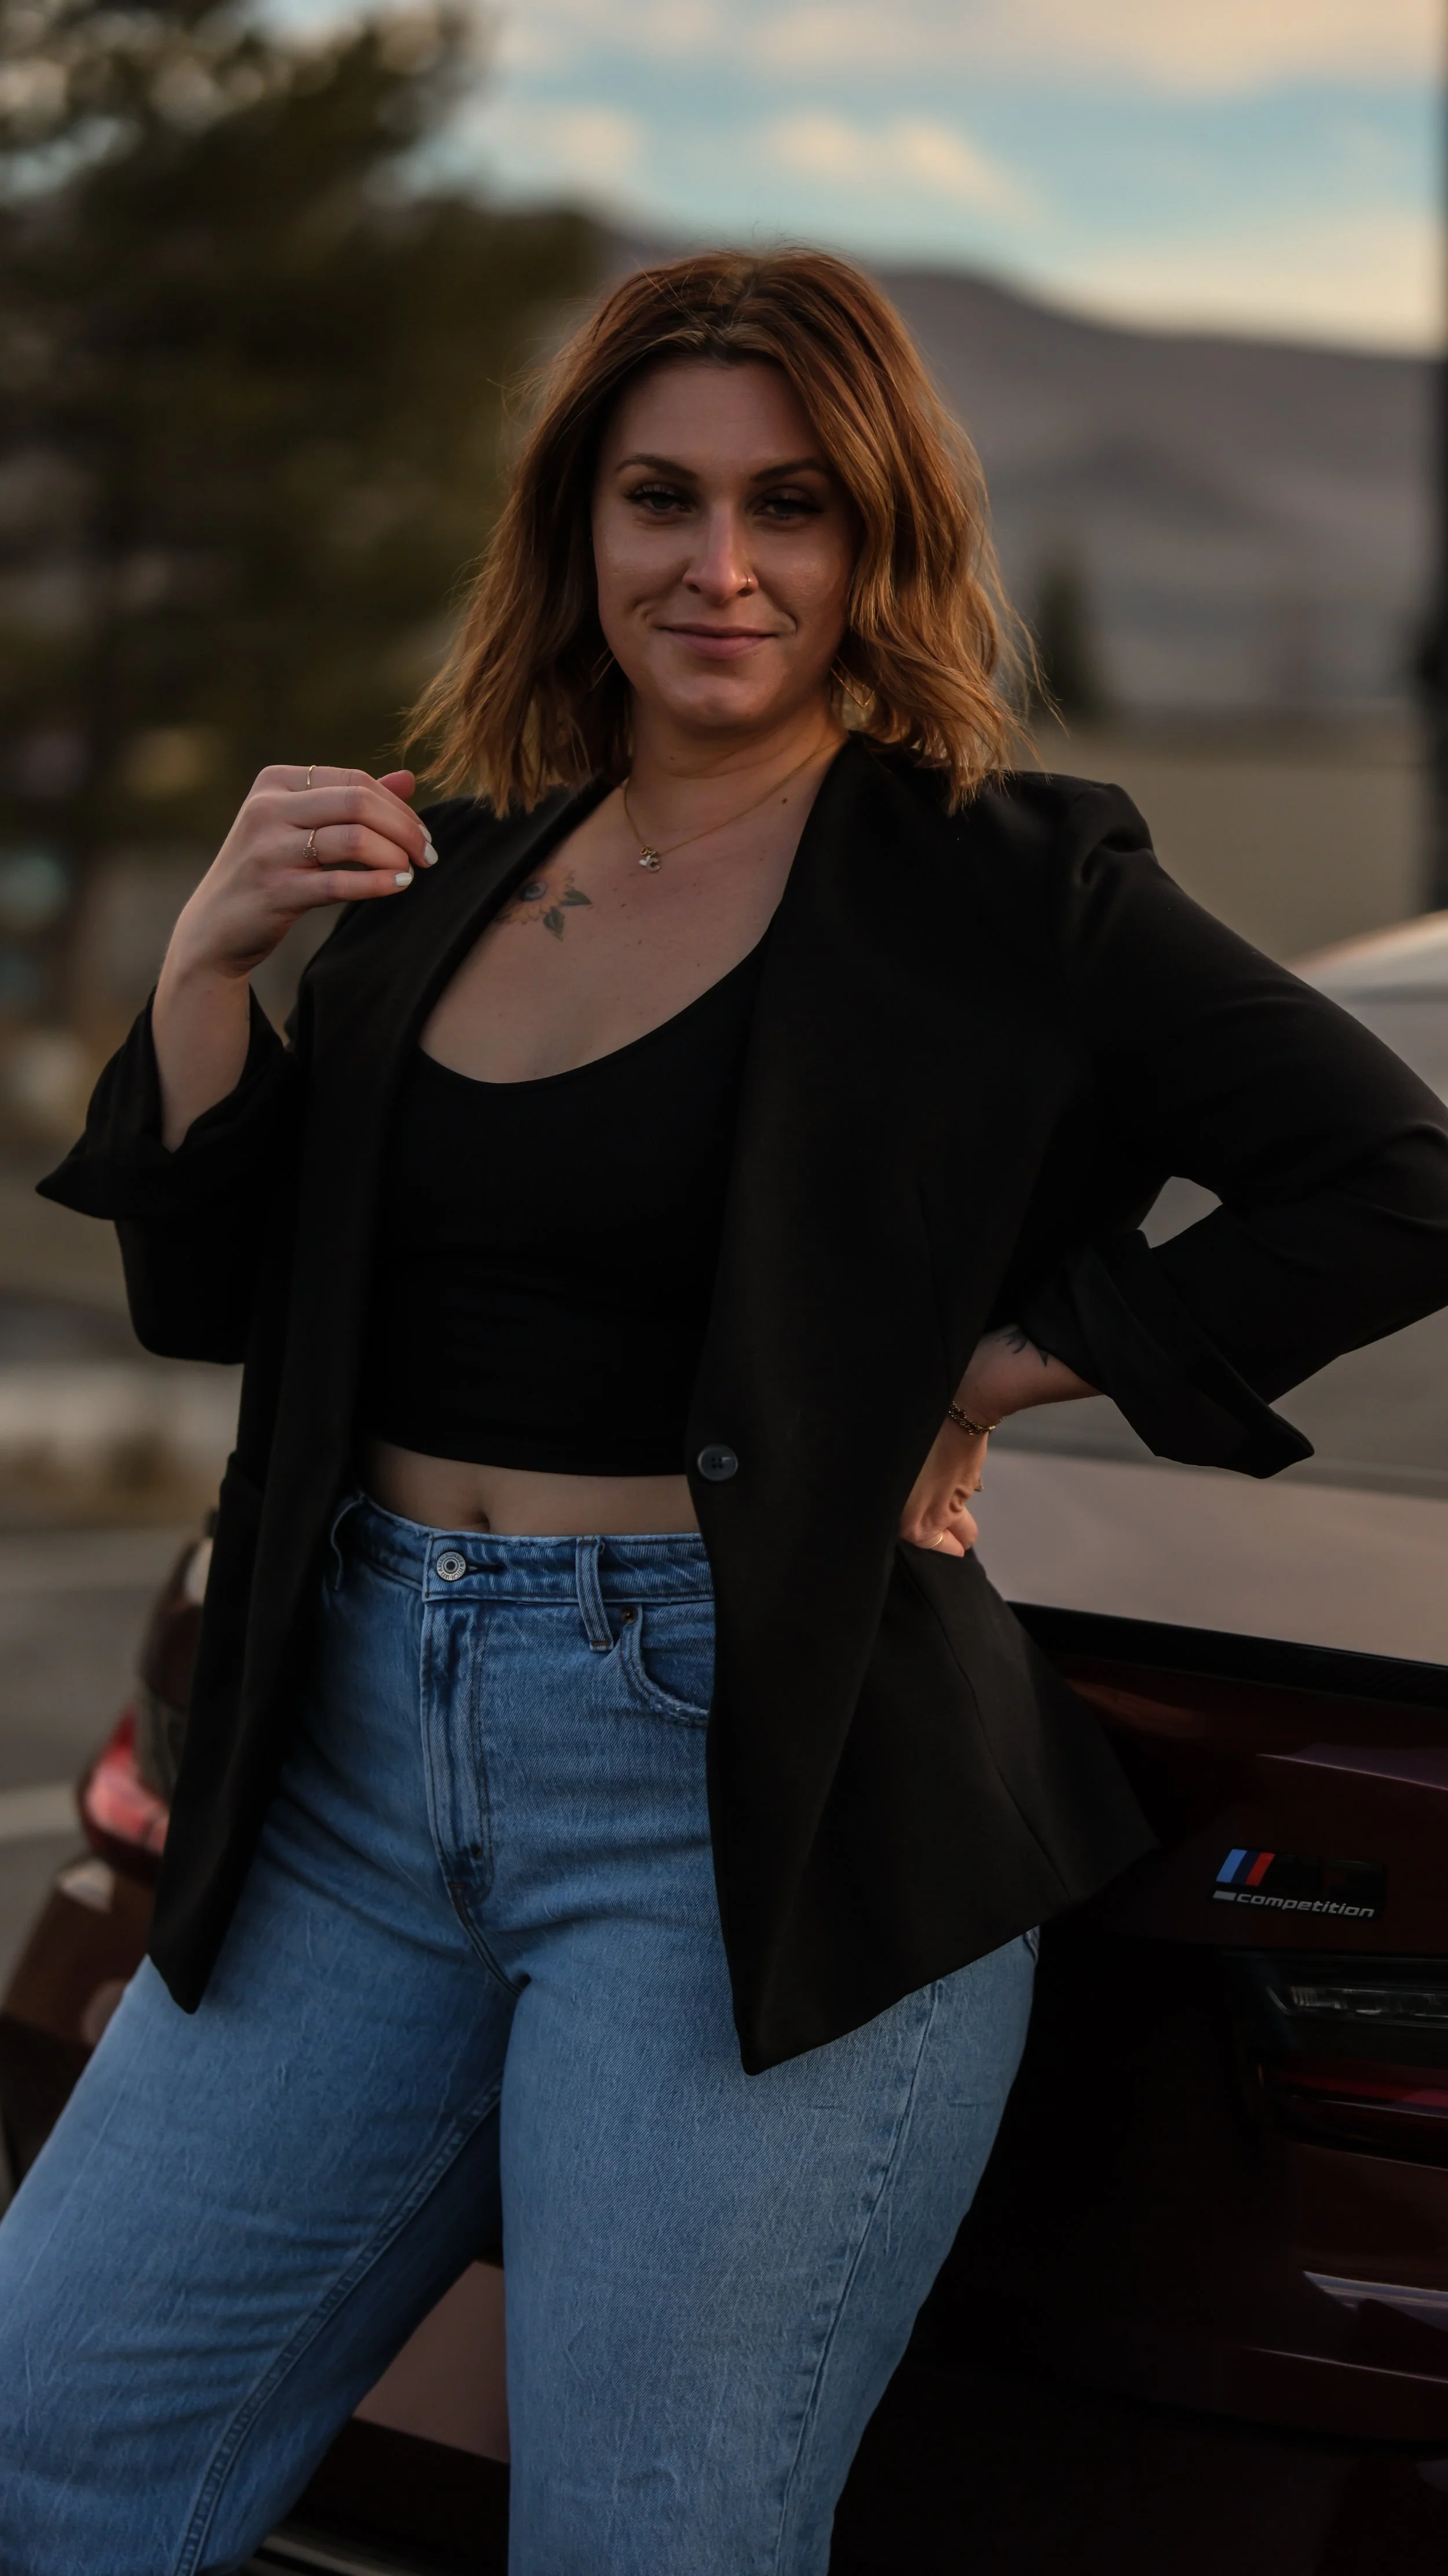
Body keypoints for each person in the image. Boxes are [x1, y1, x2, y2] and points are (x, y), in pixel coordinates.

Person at [5, 248, 1448, 2576]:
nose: (722, 565)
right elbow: (217, 1299)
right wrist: (204, 970)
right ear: (577, 525)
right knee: (47, 2451)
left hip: (741, 1795)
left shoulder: (1002, 882)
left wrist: (992, 1369)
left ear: (880, 539)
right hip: (349, 1761)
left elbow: (1390, 1179)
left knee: (647, 2540)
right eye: (660, 497)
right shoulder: (450, 866)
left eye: (793, 506)